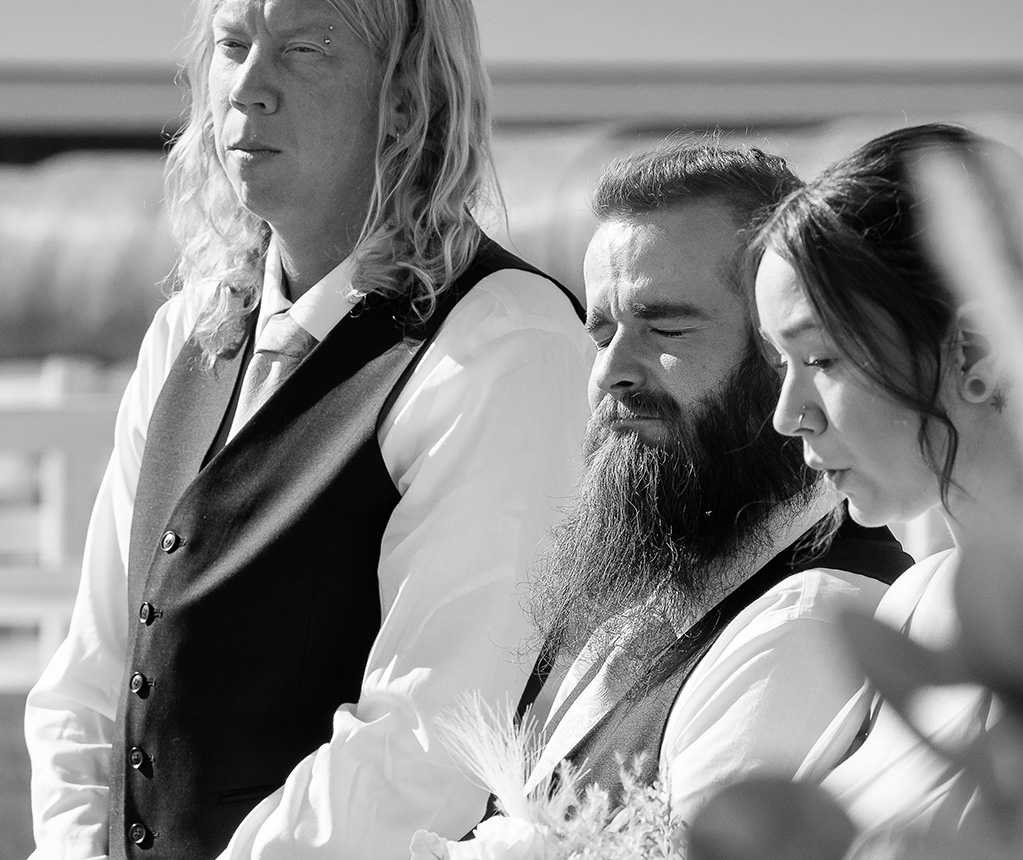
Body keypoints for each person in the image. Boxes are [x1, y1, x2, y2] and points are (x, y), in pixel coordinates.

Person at [24, 1, 590, 858]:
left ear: (405, 101)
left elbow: (429, 740)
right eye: (232, 46)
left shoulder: (505, 343)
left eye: (305, 49)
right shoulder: (190, 332)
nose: (249, 88)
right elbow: (92, 675)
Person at [521, 140, 914, 822]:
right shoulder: (647, 588)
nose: (613, 368)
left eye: (665, 325)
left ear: (777, 348)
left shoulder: (813, 618)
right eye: (601, 331)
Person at [754, 123, 1023, 845]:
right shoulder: (916, 605)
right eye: (778, 364)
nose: (787, 416)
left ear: (973, 350)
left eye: (819, 360)